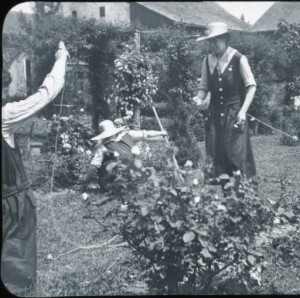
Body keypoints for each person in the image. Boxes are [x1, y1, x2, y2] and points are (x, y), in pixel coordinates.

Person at [1, 41, 69, 295]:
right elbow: (45, 94)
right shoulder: (4, 116)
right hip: (11, 205)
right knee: (16, 277)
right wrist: (61, 59)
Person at [192, 22, 257, 190]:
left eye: (216, 40)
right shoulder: (207, 61)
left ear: (225, 39)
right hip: (214, 116)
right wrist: (198, 99)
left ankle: (243, 201)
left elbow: (251, 86)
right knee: (218, 159)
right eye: (210, 41)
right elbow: (203, 87)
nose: (213, 44)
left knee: (235, 156)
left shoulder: (238, 59)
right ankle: (228, 199)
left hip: (235, 115)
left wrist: (243, 111)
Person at [82, 119, 167, 192]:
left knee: (105, 177)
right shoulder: (129, 134)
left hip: (115, 179)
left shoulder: (103, 147)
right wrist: (161, 132)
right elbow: (147, 134)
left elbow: (94, 166)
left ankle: (117, 187)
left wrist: (85, 180)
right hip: (134, 175)